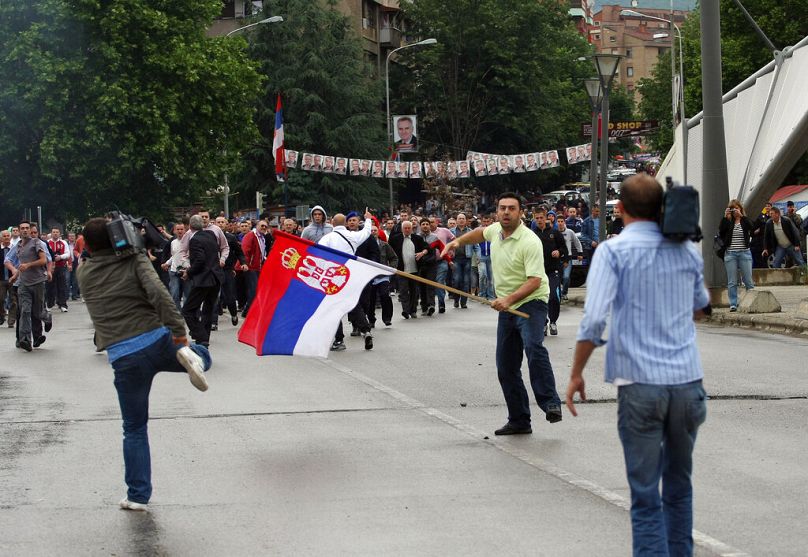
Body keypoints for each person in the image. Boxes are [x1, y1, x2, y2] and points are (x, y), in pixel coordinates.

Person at [566, 173, 710, 556]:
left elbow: (593, 320)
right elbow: (701, 308)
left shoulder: (612, 252)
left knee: (646, 496)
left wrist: (577, 372)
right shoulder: (686, 250)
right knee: (679, 486)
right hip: (687, 382)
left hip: (640, 385)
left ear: (620, 209)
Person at [77, 217, 211, 512]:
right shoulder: (134, 260)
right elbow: (159, 295)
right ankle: (194, 356)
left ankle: (137, 496)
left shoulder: (83, 272)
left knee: (134, 428)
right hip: (157, 341)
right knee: (203, 356)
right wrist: (180, 336)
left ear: (86, 245)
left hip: (124, 357)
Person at [442, 192, 563, 435]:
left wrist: (507, 300)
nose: (506, 212)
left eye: (511, 208)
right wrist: (457, 242)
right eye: (502, 208)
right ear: (497, 212)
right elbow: (480, 233)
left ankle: (551, 403)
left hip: (531, 302)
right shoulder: (495, 230)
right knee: (506, 366)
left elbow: (535, 281)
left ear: (521, 213)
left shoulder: (529, 241)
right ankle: (519, 420)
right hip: (507, 307)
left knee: (533, 346)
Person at [318, 210, 375, 351]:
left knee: (334, 309)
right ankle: (366, 330)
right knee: (353, 304)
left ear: (332, 223)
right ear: (345, 223)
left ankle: (339, 340)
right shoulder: (353, 236)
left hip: (332, 278)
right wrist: (368, 219)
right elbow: (366, 232)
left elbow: (319, 255)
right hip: (349, 275)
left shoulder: (326, 239)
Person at [181, 216, 224, 348]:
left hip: (203, 278)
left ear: (190, 226)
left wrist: (188, 272)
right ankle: (204, 339)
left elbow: (200, 260)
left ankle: (200, 336)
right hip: (216, 277)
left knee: (188, 310)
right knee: (208, 310)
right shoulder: (211, 235)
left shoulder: (194, 239)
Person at [532, 208, 567, 336]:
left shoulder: (554, 233)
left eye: (541, 217)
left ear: (546, 218)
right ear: (534, 219)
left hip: (553, 271)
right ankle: (543, 323)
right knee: (539, 299)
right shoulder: (532, 234)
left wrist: (559, 252)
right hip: (537, 272)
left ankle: (553, 321)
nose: (539, 220)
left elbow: (564, 248)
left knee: (553, 297)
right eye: (537, 218)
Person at [389, 220, 431, 319]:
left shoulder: (417, 238)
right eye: (405, 228)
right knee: (403, 291)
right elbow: (389, 251)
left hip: (415, 269)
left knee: (414, 291)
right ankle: (405, 310)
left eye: (409, 228)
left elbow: (428, 248)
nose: (407, 230)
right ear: (402, 229)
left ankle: (413, 311)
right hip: (401, 269)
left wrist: (422, 253)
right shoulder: (395, 239)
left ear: (412, 229)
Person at [718, 199, 755, 312]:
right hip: (730, 253)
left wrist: (742, 216)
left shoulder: (744, 220)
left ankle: (752, 302)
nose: (735, 211)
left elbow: (752, 228)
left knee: (748, 280)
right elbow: (721, 232)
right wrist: (725, 218)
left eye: (736, 208)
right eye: (732, 209)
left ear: (740, 209)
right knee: (732, 281)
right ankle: (733, 303)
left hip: (744, 253)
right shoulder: (729, 221)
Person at [449, 213, 479, 309]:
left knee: (466, 281)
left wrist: (478, 256)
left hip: (467, 259)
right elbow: (446, 244)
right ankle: (456, 299)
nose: (461, 220)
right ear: (456, 220)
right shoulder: (451, 231)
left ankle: (463, 302)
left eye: (463, 218)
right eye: (459, 218)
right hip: (456, 259)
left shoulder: (471, 232)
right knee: (457, 280)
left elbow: (476, 246)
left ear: (466, 220)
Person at [556, 218, 582, 301]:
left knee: (566, 277)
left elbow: (577, 242)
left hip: (568, 258)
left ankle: (564, 293)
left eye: (562, 221)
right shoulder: (554, 232)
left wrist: (580, 253)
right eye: (558, 221)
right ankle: (558, 294)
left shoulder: (570, 232)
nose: (560, 223)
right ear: (556, 222)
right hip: (557, 259)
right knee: (557, 278)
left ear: (564, 222)